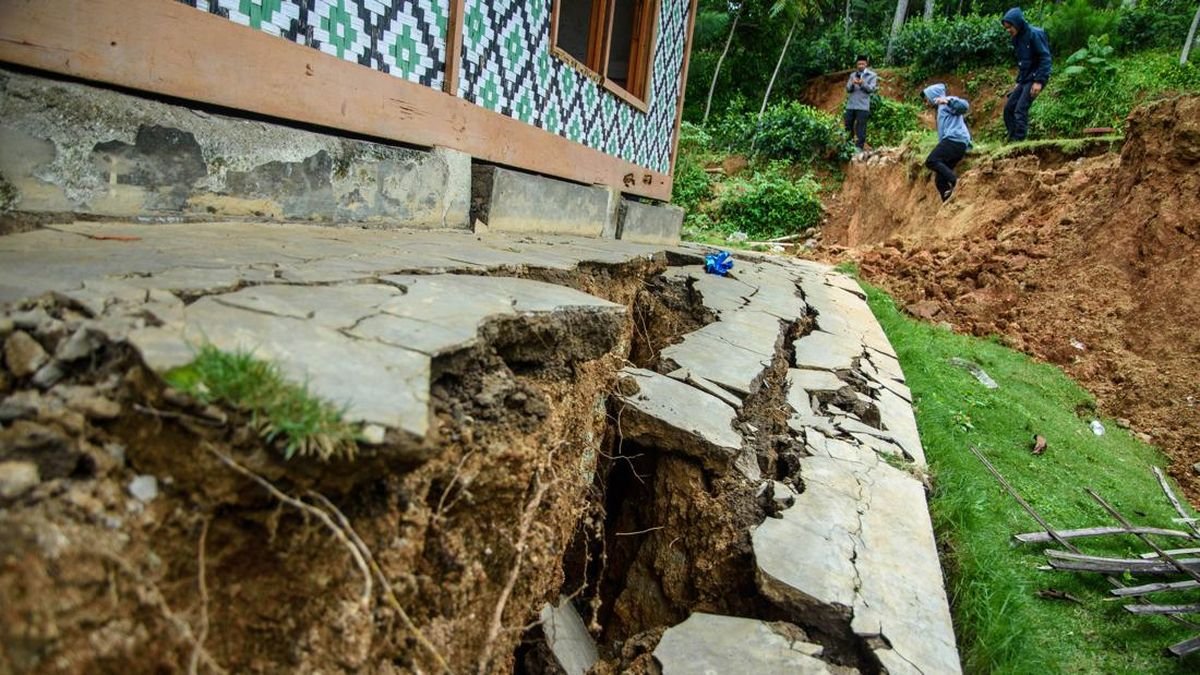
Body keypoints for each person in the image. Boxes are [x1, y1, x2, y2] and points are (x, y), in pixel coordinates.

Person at [1001, 7, 1052, 142]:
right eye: (1006, 28)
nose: (1008, 31)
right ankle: (1012, 139)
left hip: (1035, 77)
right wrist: (1018, 81)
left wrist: (1039, 81)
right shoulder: (1016, 38)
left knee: (1020, 109)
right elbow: (1023, 61)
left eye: (1009, 27)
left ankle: (1019, 141)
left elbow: (1045, 58)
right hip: (1025, 78)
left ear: (1017, 23)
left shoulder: (1035, 34)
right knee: (1008, 109)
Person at [922, 83, 971, 202]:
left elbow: (965, 106)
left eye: (926, 99)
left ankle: (956, 182)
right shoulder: (940, 109)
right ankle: (950, 204)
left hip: (955, 140)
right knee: (940, 180)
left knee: (931, 161)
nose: (925, 103)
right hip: (953, 142)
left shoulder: (946, 103)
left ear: (933, 96)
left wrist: (948, 101)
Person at [843, 55, 878, 151]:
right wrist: (852, 84)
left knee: (861, 128)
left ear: (866, 64)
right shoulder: (852, 75)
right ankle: (848, 147)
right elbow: (848, 89)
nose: (861, 65)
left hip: (863, 106)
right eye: (859, 64)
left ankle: (859, 149)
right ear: (856, 64)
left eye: (862, 64)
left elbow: (871, 89)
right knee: (848, 126)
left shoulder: (872, 75)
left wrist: (862, 83)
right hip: (851, 105)